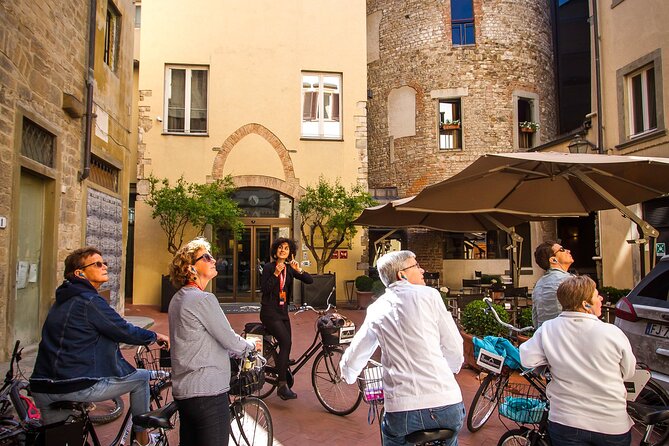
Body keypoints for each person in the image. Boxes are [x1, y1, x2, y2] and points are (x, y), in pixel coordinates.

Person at [30, 247, 170, 446]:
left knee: (61, 440)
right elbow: (123, 330)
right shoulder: (90, 301)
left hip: (42, 386)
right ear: (80, 273)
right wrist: (155, 335)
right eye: (97, 264)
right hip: (75, 384)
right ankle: (142, 439)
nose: (105, 266)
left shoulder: (62, 300)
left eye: (105, 263)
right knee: (141, 379)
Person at [340, 251, 465, 446]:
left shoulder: (377, 308)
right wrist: (450, 369)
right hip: (447, 404)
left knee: (393, 435)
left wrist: (348, 373)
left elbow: (358, 350)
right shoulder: (431, 296)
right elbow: (454, 346)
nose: (422, 269)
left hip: (403, 409)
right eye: (416, 266)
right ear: (402, 274)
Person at [520, 275, 636, 445]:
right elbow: (629, 372)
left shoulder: (548, 329)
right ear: (585, 304)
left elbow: (527, 359)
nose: (601, 298)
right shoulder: (612, 333)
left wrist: (549, 364)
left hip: (566, 421)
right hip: (611, 423)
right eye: (596, 295)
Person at [168, 237, 256, 446]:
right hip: (208, 393)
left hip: (185, 393)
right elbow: (229, 339)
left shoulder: (177, 298)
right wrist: (250, 347)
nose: (213, 260)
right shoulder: (203, 299)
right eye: (206, 257)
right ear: (191, 268)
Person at [260, 237, 313, 400]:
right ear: (275, 251)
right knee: (286, 343)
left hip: (283, 312)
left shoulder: (290, 268)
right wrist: (276, 273)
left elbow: (309, 281)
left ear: (290, 252)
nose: (283, 250)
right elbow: (265, 289)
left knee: (287, 343)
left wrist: (299, 270)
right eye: (280, 248)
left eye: (286, 248)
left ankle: (281, 365)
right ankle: (282, 385)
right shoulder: (269, 267)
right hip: (270, 312)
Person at [532, 240, 574, 328]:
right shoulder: (570, 281)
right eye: (562, 249)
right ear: (553, 260)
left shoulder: (538, 284)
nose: (568, 251)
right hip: (567, 335)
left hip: (544, 335)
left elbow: (535, 318)